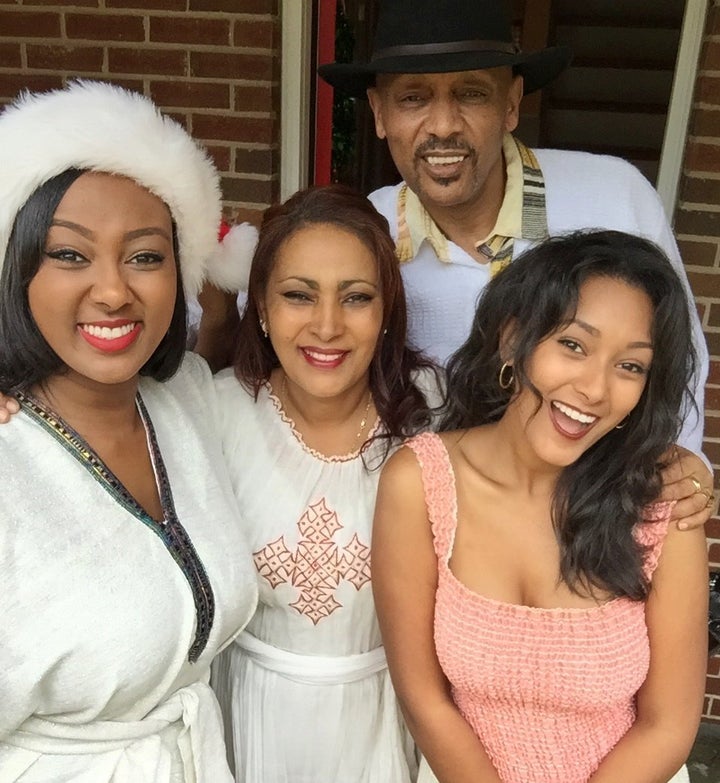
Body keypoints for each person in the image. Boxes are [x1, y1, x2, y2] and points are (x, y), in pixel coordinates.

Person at [317, 0, 714, 527]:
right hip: (437, 538)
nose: (442, 126)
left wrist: (680, 466)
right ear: (379, 113)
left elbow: (675, 357)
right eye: (414, 97)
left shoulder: (614, 200)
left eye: (472, 93)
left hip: (593, 529)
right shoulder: (360, 244)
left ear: (511, 103)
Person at [372, 230, 709, 783]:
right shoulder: (422, 483)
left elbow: (668, 725)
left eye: (630, 366)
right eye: (573, 345)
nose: (595, 389)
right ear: (513, 341)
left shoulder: (662, 504)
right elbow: (424, 697)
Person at [0, 81, 259, 782]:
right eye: (70, 255)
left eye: (145, 255)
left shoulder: (189, 400)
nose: (114, 290)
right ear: (16, 270)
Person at [209, 184, 443, 783]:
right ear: (261, 305)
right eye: (297, 296)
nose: (327, 325)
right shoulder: (212, 412)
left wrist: (685, 472)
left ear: (386, 308)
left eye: (357, 297)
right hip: (247, 718)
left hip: (387, 720)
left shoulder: (437, 414)